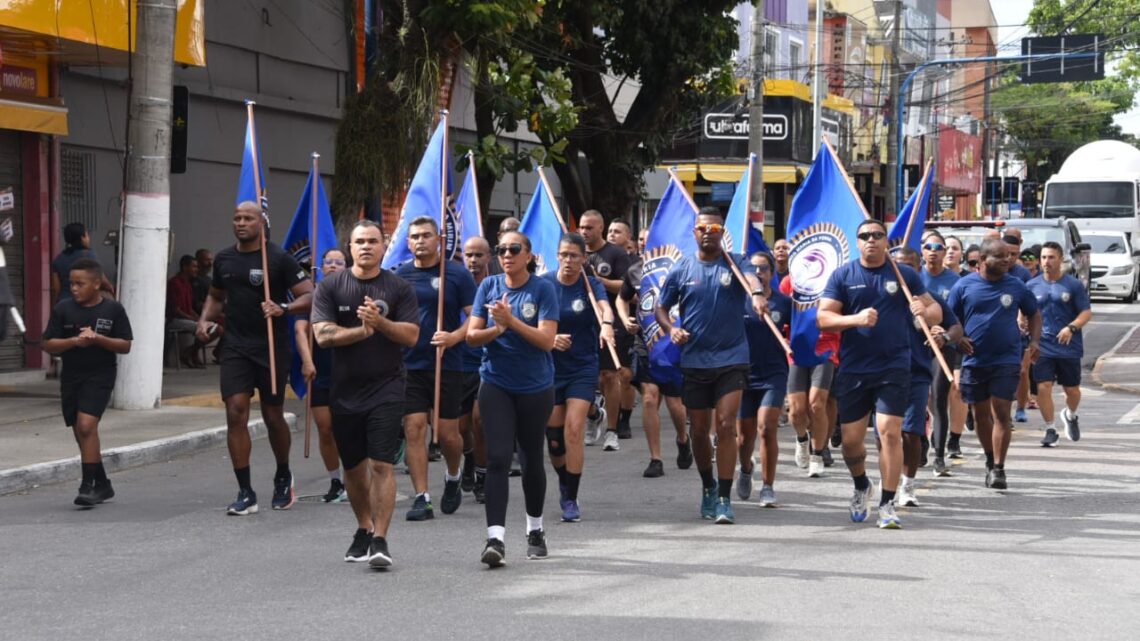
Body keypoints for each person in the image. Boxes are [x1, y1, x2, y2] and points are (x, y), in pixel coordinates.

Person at [817, 219, 940, 529]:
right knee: (850, 442)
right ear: (857, 242)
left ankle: (887, 503)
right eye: (864, 236)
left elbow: (936, 309)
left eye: (877, 235)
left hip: (894, 366)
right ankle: (861, 486)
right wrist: (855, 319)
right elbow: (823, 318)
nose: (871, 240)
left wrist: (923, 311)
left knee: (889, 432)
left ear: (887, 241)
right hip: (854, 368)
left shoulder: (904, 274)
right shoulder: (844, 275)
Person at [311, 221, 420, 568]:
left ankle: (381, 539)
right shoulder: (330, 287)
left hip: (387, 387)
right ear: (350, 246)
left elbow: (411, 335)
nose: (366, 247)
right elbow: (323, 336)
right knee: (355, 470)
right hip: (344, 391)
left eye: (373, 241)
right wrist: (362, 330)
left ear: (384, 244)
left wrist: (381, 324)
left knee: (381, 464)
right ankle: (363, 526)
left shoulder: (398, 287)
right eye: (360, 241)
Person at [196, 201, 314, 515]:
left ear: (261, 222)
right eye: (236, 218)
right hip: (236, 346)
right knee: (235, 412)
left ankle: (282, 474)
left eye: (248, 218)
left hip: (272, 347)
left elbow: (310, 294)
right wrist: (204, 321)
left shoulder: (279, 258)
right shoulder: (224, 258)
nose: (241, 223)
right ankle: (245, 491)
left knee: (273, 415)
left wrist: (283, 308)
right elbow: (216, 296)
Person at [657, 207, 767, 525]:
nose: (709, 232)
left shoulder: (735, 261)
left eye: (715, 228)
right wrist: (670, 329)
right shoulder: (682, 269)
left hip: (733, 357)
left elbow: (751, 279)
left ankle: (723, 497)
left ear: (722, 233)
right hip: (694, 360)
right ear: (695, 232)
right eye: (703, 227)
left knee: (726, 424)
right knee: (700, 430)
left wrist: (757, 295)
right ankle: (707, 486)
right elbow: (662, 308)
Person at [467, 230, 559, 565]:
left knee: (532, 456)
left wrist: (512, 322)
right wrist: (497, 329)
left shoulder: (543, 288)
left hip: (535, 386)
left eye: (514, 249)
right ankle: (495, 539)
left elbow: (547, 341)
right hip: (496, 383)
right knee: (497, 458)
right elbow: (472, 337)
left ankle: (535, 528)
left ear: (529, 255)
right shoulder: (488, 287)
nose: (506, 254)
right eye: (501, 248)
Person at [395, 216, 478, 521]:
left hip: (447, 364)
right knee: (414, 429)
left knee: (447, 436)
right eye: (414, 236)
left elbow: (474, 316)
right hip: (410, 364)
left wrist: (454, 336)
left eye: (426, 235)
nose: (420, 241)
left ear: (439, 240)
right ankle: (422, 497)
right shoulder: (401, 276)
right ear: (408, 242)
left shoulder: (457, 274)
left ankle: (454, 475)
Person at [948, 238, 1041, 490]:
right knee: (980, 416)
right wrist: (958, 340)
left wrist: (1034, 341)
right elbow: (950, 319)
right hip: (975, 360)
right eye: (1000, 256)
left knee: (1001, 411)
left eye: (1009, 256)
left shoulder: (1016, 285)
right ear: (981, 261)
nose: (1007, 260)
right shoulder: (964, 286)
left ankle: (999, 468)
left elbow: (1034, 312)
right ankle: (989, 460)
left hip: (1007, 359)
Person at [41, 259, 133, 508]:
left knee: (86, 425)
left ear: (96, 284)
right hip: (71, 376)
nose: (73, 288)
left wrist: (98, 339)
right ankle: (103, 484)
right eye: (71, 283)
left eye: (80, 284)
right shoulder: (63, 309)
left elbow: (125, 345)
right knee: (81, 432)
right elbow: (47, 343)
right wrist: (74, 341)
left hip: (100, 375)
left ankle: (88, 486)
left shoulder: (113, 310)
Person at [542, 232, 614, 522]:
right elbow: (535, 321)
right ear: (557, 256)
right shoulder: (545, 284)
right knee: (555, 441)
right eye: (564, 255)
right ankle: (565, 477)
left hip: (582, 367)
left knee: (574, 429)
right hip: (550, 368)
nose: (569, 261)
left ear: (585, 258)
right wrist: (551, 337)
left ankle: (570, 497)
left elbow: (604, 307)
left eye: (574, 256)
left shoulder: (590, 284)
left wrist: (607, 325)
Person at [615, 249, 692, 477]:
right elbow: (622, 297)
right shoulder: (635, 270)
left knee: (675, 403)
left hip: (672, 343)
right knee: (649, 398)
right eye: (643, 241)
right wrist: (624, 317)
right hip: (645, 341)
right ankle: (655, 459)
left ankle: (682, 438)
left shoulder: (680, 267)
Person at [894, 246, 961, 507]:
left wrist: (943, 336)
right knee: (886, 434)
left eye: (909, 266)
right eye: (898, 265)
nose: (903, 271)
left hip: (919, 370)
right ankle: (890, 471)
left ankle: (911, 481)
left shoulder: (930, 300)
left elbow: (955, 327)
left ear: (918, 269)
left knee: (913, 428)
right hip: (886, 374)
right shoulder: (880, 298)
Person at [294, 248, 349, 502]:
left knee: (348, 430)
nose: (334, 265)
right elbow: (300, 328)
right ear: (321, 266)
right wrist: (307, 361)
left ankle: (354, 479)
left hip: (349, 372)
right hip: (321, 372)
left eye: (339, 262)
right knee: (325, 428)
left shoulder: (354, 292)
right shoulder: (315, 297)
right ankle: (335, 480)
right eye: (329, 262)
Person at [737, 251, 791, 507]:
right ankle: (746, 468)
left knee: (767, 428)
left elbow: (801, 334)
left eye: (763, 269)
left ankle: (768, 486)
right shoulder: (738, 301)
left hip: (774, 374)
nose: (758, 273)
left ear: (771, 273)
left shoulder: (784, 303)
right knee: (744, 438)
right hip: (742, 375)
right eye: (754, 268)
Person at [579, 210, 634, 448]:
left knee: (609, 376)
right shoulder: (575, 253)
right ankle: (594, 414)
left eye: (589, 227)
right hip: (581, 322)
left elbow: (626, 285)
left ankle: (612, 429)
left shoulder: (616, 253)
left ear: (600, 228)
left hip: (611, 323)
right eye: (581, 227)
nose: (584, 231)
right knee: (587, 377)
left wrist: (598, 281)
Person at [1029, 241, 1092, 446]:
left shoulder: (1072, 285)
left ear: (1060, 259)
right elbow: (1024, 312)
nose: (1047, 261)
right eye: (1044, 257)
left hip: (1068, 346)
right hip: (1042, 345)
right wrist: (1021, 321)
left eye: (1051, 257)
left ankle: (1071, 415)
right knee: (1043, 386)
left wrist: (1071, 327)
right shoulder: (1032, 286)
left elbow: (1086, 312)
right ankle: (1050, 428)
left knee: (1072, 390)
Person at [779, 274, 840, 477]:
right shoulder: (789, 282)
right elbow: (782, 314)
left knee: (817, 403)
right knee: (796, 411)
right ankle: (802, 439)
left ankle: (817, 454)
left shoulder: (834, 280)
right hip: (797, 350)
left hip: (825, 348)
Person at [919, 233, 962, 477]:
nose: (933, 251)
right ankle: (922, 436)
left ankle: (939, 455)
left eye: (938, 247)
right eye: (928, 247)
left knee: (939, 397)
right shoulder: (913, 281)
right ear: (922, 252)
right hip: (915, 346)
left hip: (943, 346)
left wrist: (946, 334)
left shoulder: (956, 281)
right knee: (919, 397)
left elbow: (957, 319)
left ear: (945, 252)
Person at [460, 237, 493, 502]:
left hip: (486, 363)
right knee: (461, 427)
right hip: (458, 362)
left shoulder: (496, 285)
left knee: (479, 421)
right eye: (468, 255)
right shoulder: (456, 282)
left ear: (488, 257)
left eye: (478, 255)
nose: (473, 260)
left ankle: (483, 474)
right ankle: (470, 458)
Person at [51, 222, 106, 305]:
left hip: (64, 303)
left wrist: (55, 305)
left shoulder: (58, 259)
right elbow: (101, 279)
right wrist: (110, 288)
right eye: (87, 235)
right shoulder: (89, 255)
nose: (88, 238)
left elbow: (56, 289)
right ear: (82, 238)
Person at [167, 255, 206, 368]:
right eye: (194, 267)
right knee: (201, 328)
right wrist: (193, 319)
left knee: (214, 328)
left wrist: (199, 318)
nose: (196, 270)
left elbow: (189, 308)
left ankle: (189, 352)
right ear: (185, 267)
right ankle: (191, 354)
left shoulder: (188, 284)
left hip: (187, 318)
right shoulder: (174, 283)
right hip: (174, 320)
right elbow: (176, 310)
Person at [193, 248, 215, 313]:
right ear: (198, 261)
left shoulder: (209, 279)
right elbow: (196, 304)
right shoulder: (195, 280)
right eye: (207, 260)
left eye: (211, 260)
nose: (210, 263)